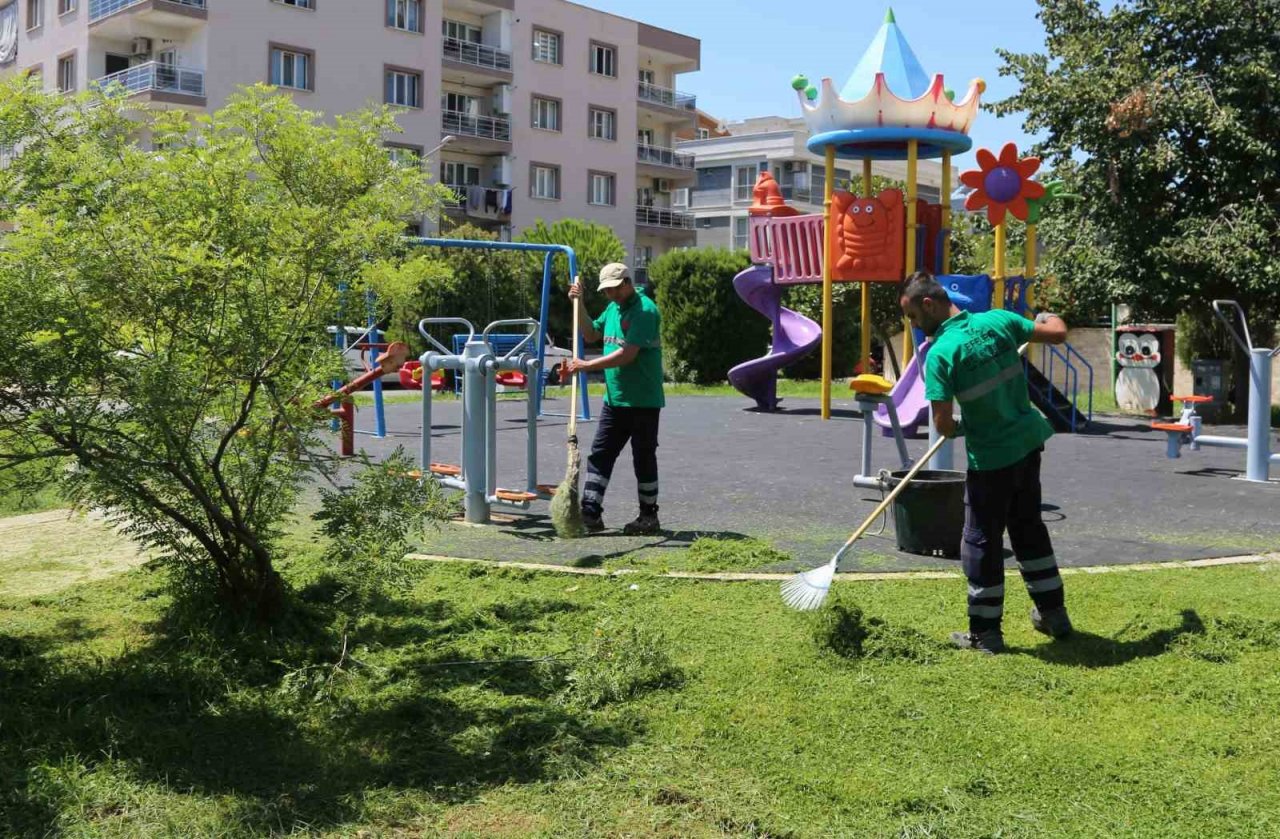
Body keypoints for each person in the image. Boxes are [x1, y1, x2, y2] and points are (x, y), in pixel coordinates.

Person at [900, 271, 1074, 655]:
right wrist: (1046, 314)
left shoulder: (942, 354)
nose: (913, 325)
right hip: (1028, 446)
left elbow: (943, 425)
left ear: (929, 305)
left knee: (981, 540)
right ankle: (1054, 614)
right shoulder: (999, 321)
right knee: (1029, 529)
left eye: (912, 317)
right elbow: (1057, 332)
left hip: (991, 458)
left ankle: (985, 634)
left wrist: (965, 426)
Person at [564, 262, 665, 535]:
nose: (609, 295)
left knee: (643, 458)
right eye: (605, 290)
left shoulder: (644, 311)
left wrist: (586, 366)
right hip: (615, 400)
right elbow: (591, 333)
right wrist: (579, 303)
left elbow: (628, 355)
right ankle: (590, 514)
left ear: (626, 283)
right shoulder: (612, 308)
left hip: (643, 400)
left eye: (613, 290)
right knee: (600, 455)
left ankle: (648, 517)